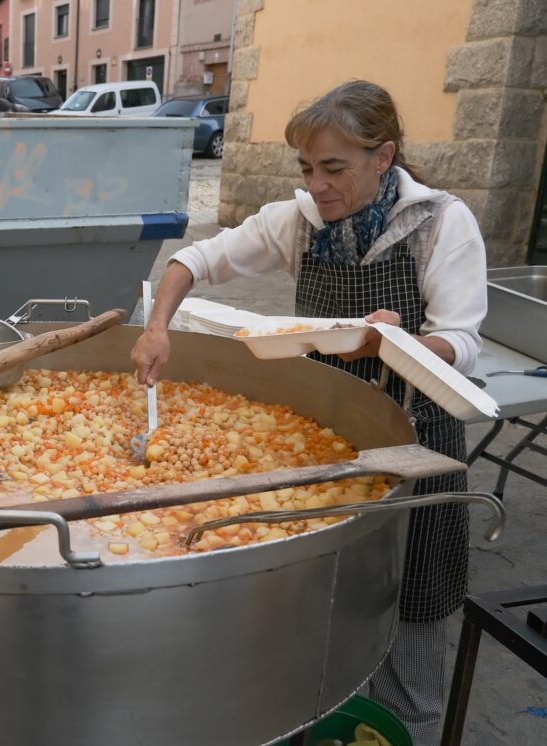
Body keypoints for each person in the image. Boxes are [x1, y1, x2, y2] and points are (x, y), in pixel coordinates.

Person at [131, 80, 486, 746]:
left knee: (412, 609)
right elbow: (195, 258)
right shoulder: (301, 221)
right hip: (325, 446)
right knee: (321, 615)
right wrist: (157, 326)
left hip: (417, 443)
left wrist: (400, 341)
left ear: (384, 158)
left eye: (334, 168)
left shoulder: (440, 222)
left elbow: (463, 339)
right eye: (307, 169)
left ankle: (405, 728)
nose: (318, 185)